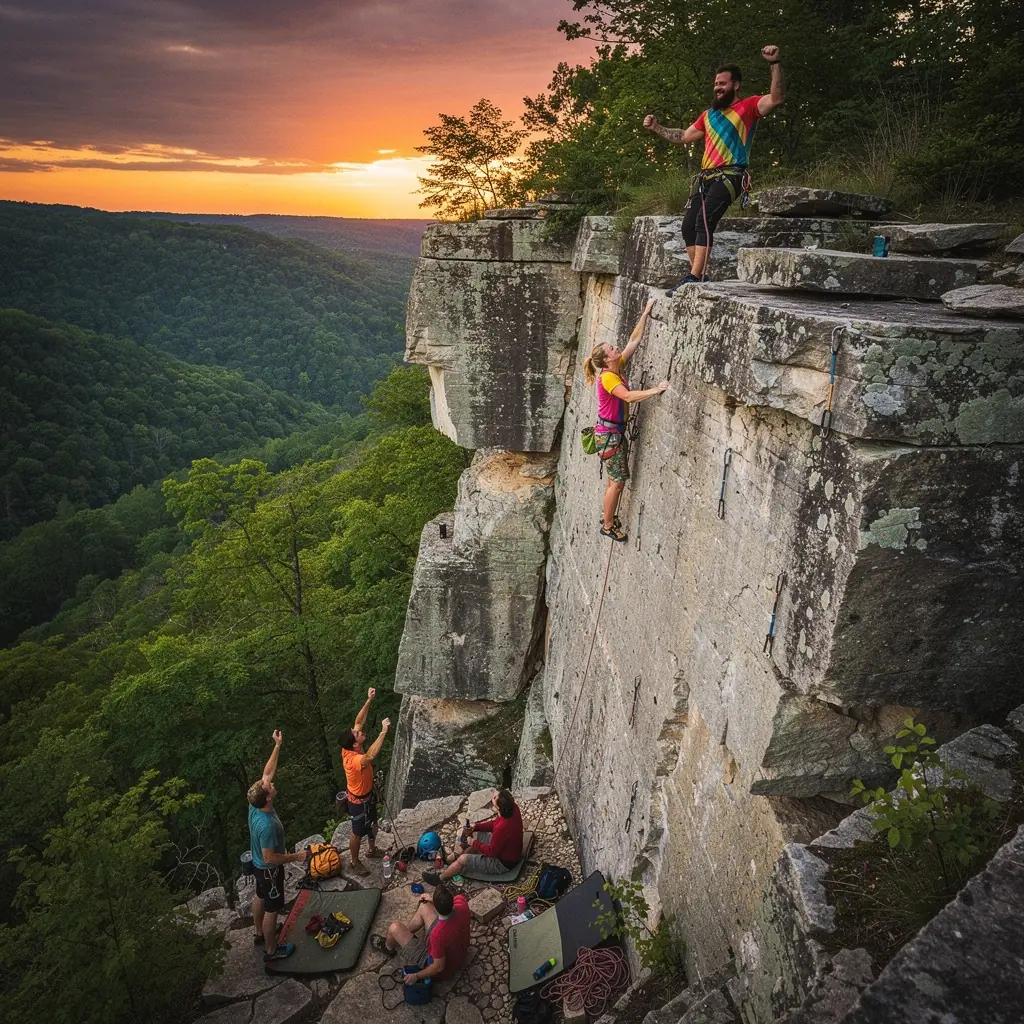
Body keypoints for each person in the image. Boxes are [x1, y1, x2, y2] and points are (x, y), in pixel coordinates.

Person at [643, 46, 785, 287]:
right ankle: (699, 275)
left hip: (731, 175)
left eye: (723, 83)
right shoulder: (708, 115)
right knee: (688, 226)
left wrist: (775, 63)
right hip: (705, 178)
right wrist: (656, 127)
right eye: (716, 84)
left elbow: (777, 98)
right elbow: (683, 136)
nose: (718, 87)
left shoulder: (749, 107)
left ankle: (694, 277)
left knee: (704, 220)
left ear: (736, 85)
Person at [582, 299, 669, 543]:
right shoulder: (608, 379)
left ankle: (608, 518)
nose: (616, 347)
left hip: (610, 434)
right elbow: (628, 396)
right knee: (617, 483)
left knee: (614, 480)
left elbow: (633, 340)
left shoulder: (616, 365)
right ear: (607, 359)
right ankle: (608, 525)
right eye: (611, 348)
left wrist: (645, 312)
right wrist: (655, 390)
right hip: (609, 437)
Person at [247, 729, 309, 962]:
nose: (270, 783)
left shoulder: (254, 803)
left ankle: (258, 932)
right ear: (268, 797)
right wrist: (296, 856)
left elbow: (267, 772)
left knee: (259, 896)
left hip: (256, 864)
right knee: (272, 909)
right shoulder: (268, 825)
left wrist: (277, 745)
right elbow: (271, 857)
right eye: (269, 786)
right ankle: (272, 951)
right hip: (268, 869)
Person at [370, 882, 471, 986]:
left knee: (394, 928)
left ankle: (388, 947)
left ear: (436, 906)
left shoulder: (437, 935)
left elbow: (438, 967)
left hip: (441, 967)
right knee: (424, 906)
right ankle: (404, 935)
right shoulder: (461, 902)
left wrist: (416, 976)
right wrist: (432, 899)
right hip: (459, 951)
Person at [338, 687, 391, 875]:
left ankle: (371, 849)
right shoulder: (353, 760)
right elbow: (370, 756)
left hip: (367, 795)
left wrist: (368, 700)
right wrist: (383, 732)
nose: (360, 732)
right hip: (357, 801)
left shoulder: (351, 745)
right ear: (355, 744)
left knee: (374, 824)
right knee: (357, 832)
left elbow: (358, 721)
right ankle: (354, 861)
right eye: (357, 734)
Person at [424, 789, 524, 884]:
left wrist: (473, 842)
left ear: (498, 807)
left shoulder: (502, 828)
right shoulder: (512, 808)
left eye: (495, 797)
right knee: (473, 834)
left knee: (463, 859)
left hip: (503, 862)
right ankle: (453, 857)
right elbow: (495, 824)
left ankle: (440, 878)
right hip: (507, 849)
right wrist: (476, 827)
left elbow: (491, 852)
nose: (494, 794)